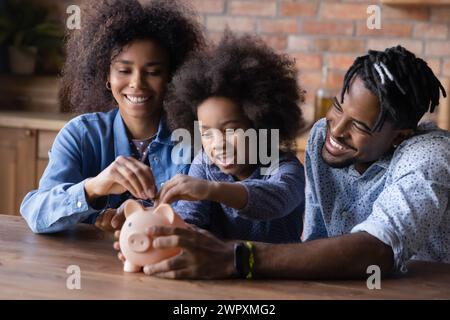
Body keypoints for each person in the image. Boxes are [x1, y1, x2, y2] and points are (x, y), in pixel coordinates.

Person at [124, 46, 449, 279]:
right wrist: (156, 238)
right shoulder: (325, 138)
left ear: (398, 137)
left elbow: (377, 251)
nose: (335, 129)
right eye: (338, 107)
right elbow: (316, 238)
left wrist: (238, 258)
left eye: (360, 126)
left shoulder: (429, 157)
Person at [20, 0, 204, 234]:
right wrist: (94, 187)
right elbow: (36, 213)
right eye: (124, 70)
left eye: (153, 72)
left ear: (172, 77)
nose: (137, 83)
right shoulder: (81, 134)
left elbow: (207, 223)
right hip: (90, 267)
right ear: (106, 75)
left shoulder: (195, 138)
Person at [153, 32, 305, 243]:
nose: (218, 144)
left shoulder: (286, 168)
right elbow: (190, 218)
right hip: (221, 272)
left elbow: (277, 200)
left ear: (260, 123)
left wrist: (210, 190)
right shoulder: (206, 164)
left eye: (231, 130)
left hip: (280, 272)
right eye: (207, 133)